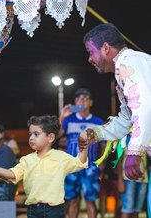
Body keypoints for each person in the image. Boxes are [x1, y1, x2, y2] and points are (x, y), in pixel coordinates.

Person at [78, 23, 151, 181]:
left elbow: (144, 107)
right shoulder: (124, 68)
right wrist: (96, 134)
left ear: (105, 48)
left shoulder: (129, 63)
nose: (89, 59)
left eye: (91, 52)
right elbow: (126, 120)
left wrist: (134, 151)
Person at [0, 115, 89, 218]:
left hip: (54, 210)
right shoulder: (26, 160)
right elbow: (12, 174)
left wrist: (84, 144)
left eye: (36, 134)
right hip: (33, 210)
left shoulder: (61, 157)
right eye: (30, 134)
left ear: (50, 137)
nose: (31, 138)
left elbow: (80, 162)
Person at [59, 88, 105, 218]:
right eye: (78, 98)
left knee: (90, 200)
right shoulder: (69, 120)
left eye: (85, 98)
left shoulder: (98, 122)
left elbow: (103, 144)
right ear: (75, 102)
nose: (81, 101)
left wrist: (101, 164)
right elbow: (55, 135)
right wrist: (62, 116)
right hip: (72, 167)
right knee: (72, 200)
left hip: (90, 167)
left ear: (91, 102)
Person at [118, 147, 148, 218]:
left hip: (143, 179)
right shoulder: (124, 138)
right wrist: (120, 180)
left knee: (137, 210)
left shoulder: (146, 138)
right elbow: (119, 160)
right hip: (127, 179)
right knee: (127, 209)